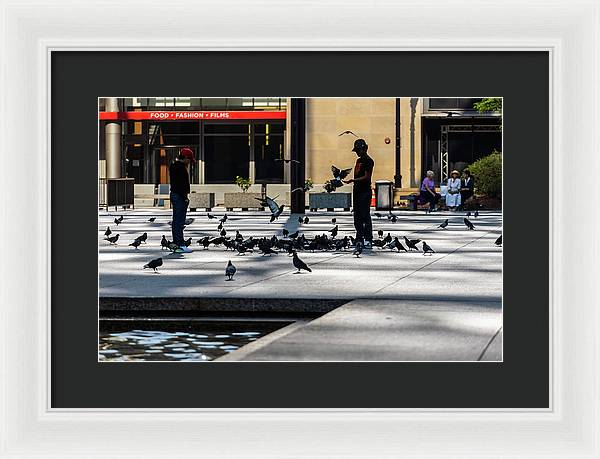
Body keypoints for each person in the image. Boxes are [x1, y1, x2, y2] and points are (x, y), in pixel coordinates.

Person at [343, 138, 374, 248]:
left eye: (358, 151)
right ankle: (359, 236)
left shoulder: (369, 161)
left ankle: (368, 238)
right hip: (357, 191)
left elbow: (367, 176)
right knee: (357, 216)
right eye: (356, 151)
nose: (357, 153)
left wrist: (353, 180)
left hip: (365, 191)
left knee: (365, 215)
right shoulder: (358, 161)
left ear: (364, 149)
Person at [169, 147, 195, 253]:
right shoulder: (180, 168)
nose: (189, 162)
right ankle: (179, 243)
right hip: (179, 196)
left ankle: (178, 242)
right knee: (179, 221)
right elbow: (180, 185)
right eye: (189, 159)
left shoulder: (174, 166)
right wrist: (185, 198)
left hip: (176, 195)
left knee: (177, 220)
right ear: (184, 157)